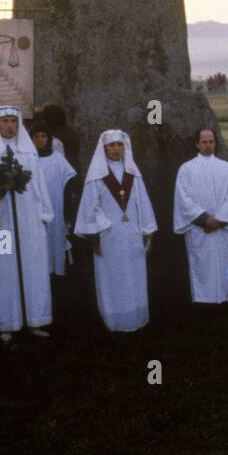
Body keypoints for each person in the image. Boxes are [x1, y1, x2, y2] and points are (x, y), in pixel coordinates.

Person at [0, 106, 54, 343]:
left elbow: (39, 186)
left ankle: (34, 319)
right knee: (5, 267)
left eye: (14, 121)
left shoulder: (28, 152)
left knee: (31, 267)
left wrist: (43, 214)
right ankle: (7, 321)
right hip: (2, 226)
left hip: (28, 225)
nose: (10, 126)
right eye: (5, 121)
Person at [74, 130, 157, 332]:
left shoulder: (133, 174)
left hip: (132, 234)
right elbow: (89, 207)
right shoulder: (96, 177)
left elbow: (143, 203)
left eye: (120, 145)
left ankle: (136, 317)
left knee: (134, 275)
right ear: (104, 149)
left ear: (124, 147)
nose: (116, 149)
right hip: (108, 236)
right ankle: (114, 320)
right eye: (112, 145)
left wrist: (147, 228)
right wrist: (96, 235)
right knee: (113, 277)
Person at [173, 128, 228, 304]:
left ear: (215, 142)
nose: (208, 145)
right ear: (197, 143)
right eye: (204, 142)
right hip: (200, 227)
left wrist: (219, 220)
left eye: (211, 141)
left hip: (221, 228)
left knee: (221, 263)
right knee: (200, 263)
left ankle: (221, 298)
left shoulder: (226, 168)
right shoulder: (187, 169)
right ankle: (202, 301)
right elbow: (183, 199)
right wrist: (204, 219)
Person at [30, 121, 78, 278]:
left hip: (56, 206)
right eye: (36, 136)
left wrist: (67, 209)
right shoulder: (29, 160)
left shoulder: (57, 158)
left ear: (49, 138)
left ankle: (56, 272)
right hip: (35, 208)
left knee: (55, 237)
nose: (40, 139)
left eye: (43, 136)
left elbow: (69, 182)